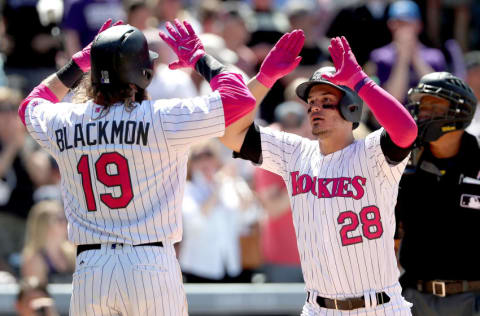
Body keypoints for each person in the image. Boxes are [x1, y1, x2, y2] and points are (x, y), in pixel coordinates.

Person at [18, 16, 302, 315]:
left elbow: (31, 105)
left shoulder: (65, 119)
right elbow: (238, 99)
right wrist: (198, 58)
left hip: (92, 269)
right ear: (142, 73)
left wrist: (80, 60)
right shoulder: (162, 117)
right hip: (149, 263)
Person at [225, 36, 418, 314]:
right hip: (318, 308)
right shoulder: (294, 152)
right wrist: (265, 78)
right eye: (311, 101)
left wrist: (362, 82)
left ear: (350, 107)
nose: (315, 107)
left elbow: (406, 131)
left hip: (380, 306)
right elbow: (229, 130)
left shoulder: (373, 152)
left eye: (326, 100)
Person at [395, 72, 479, 316]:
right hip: (414, 298)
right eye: (422, 105)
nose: (423, 112)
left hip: (472, 299)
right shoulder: (403, 163)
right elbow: (392, 235)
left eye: (434, 104)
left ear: (459, 111)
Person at [21, 200, 75, 284]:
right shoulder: (34, 260)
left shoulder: (72, 253)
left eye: (66, 218)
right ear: (44, 225)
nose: (66, 223)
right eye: (60, 219)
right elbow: (37, 293)